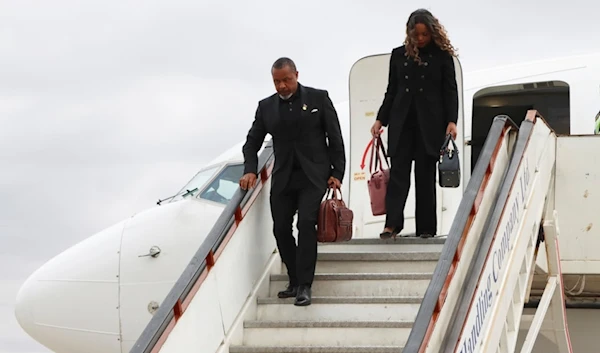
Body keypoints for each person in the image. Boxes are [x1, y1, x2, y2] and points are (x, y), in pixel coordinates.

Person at [239, 57, 346, 306]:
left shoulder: (319, 98)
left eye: (286, 80)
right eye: (277, 82)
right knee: (280, 229)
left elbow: (335, 137)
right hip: (284, 177)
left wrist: (337, 173)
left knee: (306, 223)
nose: (282, 86)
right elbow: (251, 142)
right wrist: (250, 170)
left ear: (296, 74)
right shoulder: (266, 107)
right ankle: (295, 279)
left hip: (314, 175)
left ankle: (305, 286)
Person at [370, 9, 459, 240]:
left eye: (424, 34)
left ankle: (426, 228)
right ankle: (392, 225)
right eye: (416, 34)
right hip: (402, 123)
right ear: (409, 33)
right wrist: (381, 119)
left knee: (424, 176)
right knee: (398, 175)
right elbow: (392, 90)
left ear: (432, 32)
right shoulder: (398, 55)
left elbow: (450, 90)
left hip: (429, 125)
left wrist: (452, 121)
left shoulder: (442, 56)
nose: (420, 39)